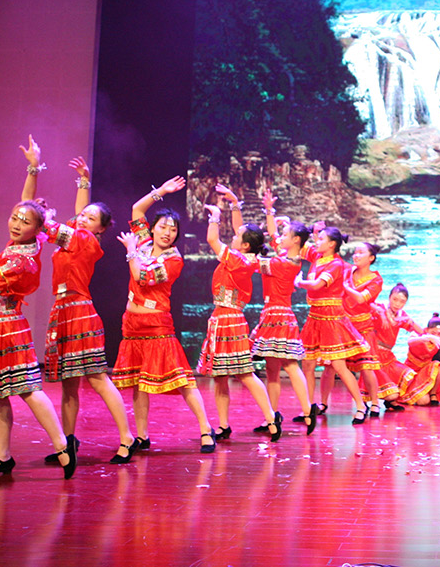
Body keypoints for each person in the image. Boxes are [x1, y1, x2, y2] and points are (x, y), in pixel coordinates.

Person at [0, 136, 73, 479]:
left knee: (28, 390)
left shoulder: (21, 260)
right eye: (14, 217)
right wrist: (33, 166)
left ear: (38, 230)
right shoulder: (24, 242)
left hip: (8, 328)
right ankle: (2, 456)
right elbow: (28, 205)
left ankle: (62, 446)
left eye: (24, 222)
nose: (16, 223)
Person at [39, 155, 135, 467]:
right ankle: (68, 443)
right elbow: (77, 215)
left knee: (97, 378)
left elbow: (48, 225)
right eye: (82, 216)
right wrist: (83, 180)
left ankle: (127, 437)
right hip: (61, 311)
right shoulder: (75, 233)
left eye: (91, 218)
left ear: (101, 228)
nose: (83, 219)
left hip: (80, 312)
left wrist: (37, 207)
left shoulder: (86, 241)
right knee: (69, 386)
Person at [110, 176, 217, 453]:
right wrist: (162, 191)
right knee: (138, 383)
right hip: (132, 324)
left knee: (181, 379)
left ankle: (205, 429)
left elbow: (142, 277)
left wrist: (130, 252)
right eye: (163, 227)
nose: (167, 233)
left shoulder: (174, 259)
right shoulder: (144, 244)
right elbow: (137, 209)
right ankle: (142, 436)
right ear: (153, 228)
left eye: (173, 230)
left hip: (157, 325)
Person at [199, 191, 280, 442]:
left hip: (228, 320)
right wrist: (235, 204)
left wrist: (215, 215)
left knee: (243, 374)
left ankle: (271, 417)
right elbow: (240, 229)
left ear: (245, 245)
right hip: (223, 318)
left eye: (237, 237)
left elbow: (212, 238)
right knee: (222, 376)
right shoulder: (248, 257)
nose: (233, 236)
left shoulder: (237, 260)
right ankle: (224, 425)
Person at [254, 186, 317, 433]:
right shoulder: (287, 258)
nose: (280, 236)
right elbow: (272, 235)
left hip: (279, 315)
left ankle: (308, 409)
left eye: (285, 234)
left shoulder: (284, 264)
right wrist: (269, 210)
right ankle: (271, 417)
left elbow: (254, 263)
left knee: (289, 365)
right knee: (272, 370)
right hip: (272, 314)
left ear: (296, 240)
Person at [296, 226, 372, 424]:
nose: (316, 241)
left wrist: (299, 282)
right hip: (315, 316)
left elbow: (317, 285)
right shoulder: (317, 257)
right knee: (308, 364)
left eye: (321, 238)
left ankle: (361, 405)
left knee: (338, 365)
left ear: (331, 244)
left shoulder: (336, 264)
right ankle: (308, 408)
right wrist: (272, 217)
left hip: (331, 317)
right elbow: (295, 244)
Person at [319, 242, 384, 416]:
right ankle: (323, 403)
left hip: (362, 327)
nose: (356, 255)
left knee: (366, 366)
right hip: (342, 326)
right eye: (355, 252)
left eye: (361, 252)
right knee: (330, 366)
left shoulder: (376, 280)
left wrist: (345, 287)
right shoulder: (347, 271)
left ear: (371, 258)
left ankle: (375, 402)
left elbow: (361, 299)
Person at [397, 313, 440, 406]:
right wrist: (426, 338)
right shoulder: (420, 333)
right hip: (412, 372)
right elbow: (410, 341)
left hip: (426, 372)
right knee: (423, 401)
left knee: (437, 365)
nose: (436, 335)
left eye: (439, 333)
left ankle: (433, 394)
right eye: (433, 333)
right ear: (427, 329)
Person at [371, 284, 420, 410]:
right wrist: (381, 313)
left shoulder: (401, 315)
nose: (397, 304)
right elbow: (366, 304)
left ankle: (390, 401)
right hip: (374, 353)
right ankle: (375, 403)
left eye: (402, 301)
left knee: (408, 375)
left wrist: (411, 322)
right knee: (384, 387)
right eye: (395, 299)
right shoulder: (380, 308)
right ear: (389, 297)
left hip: (388, 355)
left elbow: (419, 330)